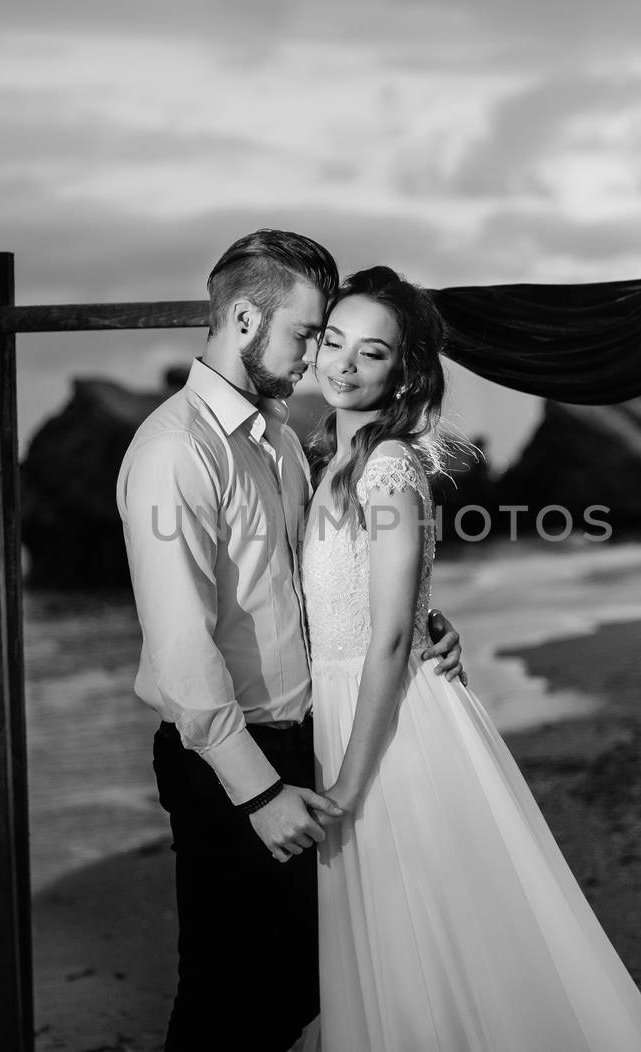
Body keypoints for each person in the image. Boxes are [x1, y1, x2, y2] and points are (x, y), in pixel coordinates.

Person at [304, 266, 641, 1051]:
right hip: (350, 705)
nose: (342, 363)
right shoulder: (332, 460)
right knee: (394, 947)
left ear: (403, 373)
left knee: (432, 942)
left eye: (370, 353)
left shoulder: (387, 470)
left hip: (390, 727)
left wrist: (345, 780)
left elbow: (395, 637)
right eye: (333, 341)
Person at [115, 231, 463, 1052]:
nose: (315, 359)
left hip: (305, 741)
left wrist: (421, 625)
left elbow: (321, 585)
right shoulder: (177, 450)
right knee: (226, 1007)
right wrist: (258, 793)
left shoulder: (279, 439)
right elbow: (181, 649)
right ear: (243, 318)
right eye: (308, 334)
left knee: (300, 990)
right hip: (230, 768)